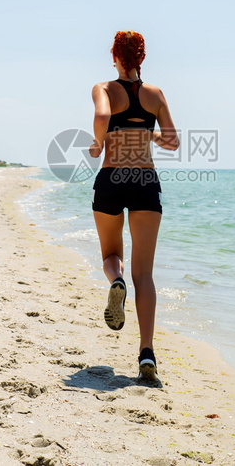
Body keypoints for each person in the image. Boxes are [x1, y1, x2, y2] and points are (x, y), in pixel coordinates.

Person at [89, 30, 179, 381]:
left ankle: (116, 282)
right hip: (145, 183)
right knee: (146, 273)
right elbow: (171, 141)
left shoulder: (104, 89)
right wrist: (149, 134)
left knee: (112, 256)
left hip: (111, 178)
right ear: (142, 59)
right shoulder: (155, 94)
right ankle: (146, 354)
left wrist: (99, 144)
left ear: (114, 55)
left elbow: (101, 118)